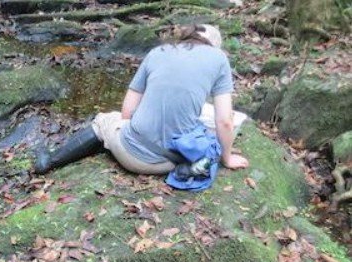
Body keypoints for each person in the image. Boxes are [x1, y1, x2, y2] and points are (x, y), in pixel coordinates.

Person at [34, 24, 249, 177]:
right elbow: (225, 121)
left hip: (133, 156)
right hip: (170, 162)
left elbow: (127, 111)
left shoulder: (158, 52)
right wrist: (227, 159)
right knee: (215, 123)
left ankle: (49, 161)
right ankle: (190, 165)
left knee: (104, 120)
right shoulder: (219, 60)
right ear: (214, 46)